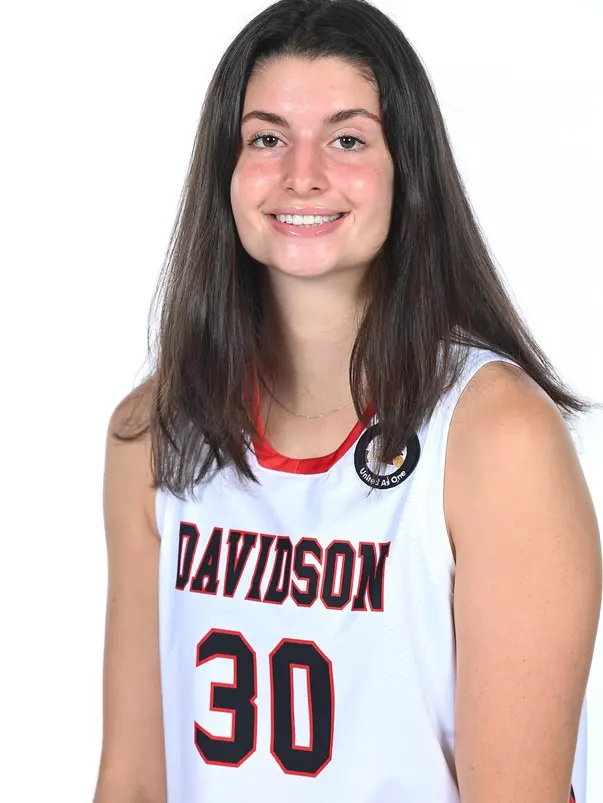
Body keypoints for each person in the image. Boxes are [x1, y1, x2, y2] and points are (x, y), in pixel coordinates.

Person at [93, 1, 602, 801]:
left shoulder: (495, 436)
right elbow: (130, 782)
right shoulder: (152, 433)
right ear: (223, 170)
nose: (302, 172)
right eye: (266, 138)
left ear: (408, 171)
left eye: (347, 138)